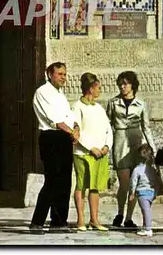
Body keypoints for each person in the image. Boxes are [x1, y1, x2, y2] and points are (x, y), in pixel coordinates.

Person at [30, 62, 79, 232]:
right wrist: (71, 131)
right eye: (60, 74)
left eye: (65, 74)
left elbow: (69, 116)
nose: (63, 77)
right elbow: (54, 120)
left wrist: (76, 129)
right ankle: (37, 221)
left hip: (64, 138)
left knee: (65, 181)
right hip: (51, 138)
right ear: (50, 74)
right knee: (53, 180)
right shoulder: (42, 92)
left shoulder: (60, 95)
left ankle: (58, 221)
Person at [106, 71, 156, 229]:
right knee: (124, 183)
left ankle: (128, 217)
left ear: (132, 85)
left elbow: (146, 128)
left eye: (125, 83)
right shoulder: (113, 102)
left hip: (136, 144)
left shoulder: (141, 104)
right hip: (120, 143)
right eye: (120, 83)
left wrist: (153, 149)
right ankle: (120, 212)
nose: (122, 86)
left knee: (136, 183)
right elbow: (107, 125)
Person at [71, 73, 113, 232]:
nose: (100, 91)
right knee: (81, 185)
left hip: (100, 154)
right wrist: (91, 148)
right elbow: (77, 131)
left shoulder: (99, 108)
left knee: (95, 187)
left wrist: (106, 146)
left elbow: (108, 129)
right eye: (98, 87)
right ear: (91, 88)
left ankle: (94, 219)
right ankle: (80, 220)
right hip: (83, 153)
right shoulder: (77, 107)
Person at [129, 144, 160, 237]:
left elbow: (133, 182)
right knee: (146, 210)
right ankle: (145, 226)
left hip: (142, 193)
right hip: (151, 192)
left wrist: (132, 193)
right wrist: (156, 192)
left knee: (145, 210)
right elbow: (156, 181)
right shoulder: (152, 170)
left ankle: (148, 229)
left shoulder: (137, 169)